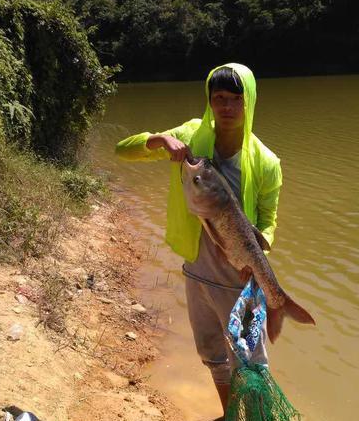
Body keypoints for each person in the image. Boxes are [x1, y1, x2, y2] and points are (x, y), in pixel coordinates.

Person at [115, 63, 282, 419]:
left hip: (241, 280)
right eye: (218, 97)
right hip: (196, 271)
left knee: (250, 363)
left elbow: (268, 219)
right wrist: (158, 141)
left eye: (236, 98)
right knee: (213, 355)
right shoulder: (191, 136)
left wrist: (254, 245)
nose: (226, 106)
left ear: (249, 101)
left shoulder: (266, 161)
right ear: (209, 100)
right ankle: (228, 414)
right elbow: (123, 150)